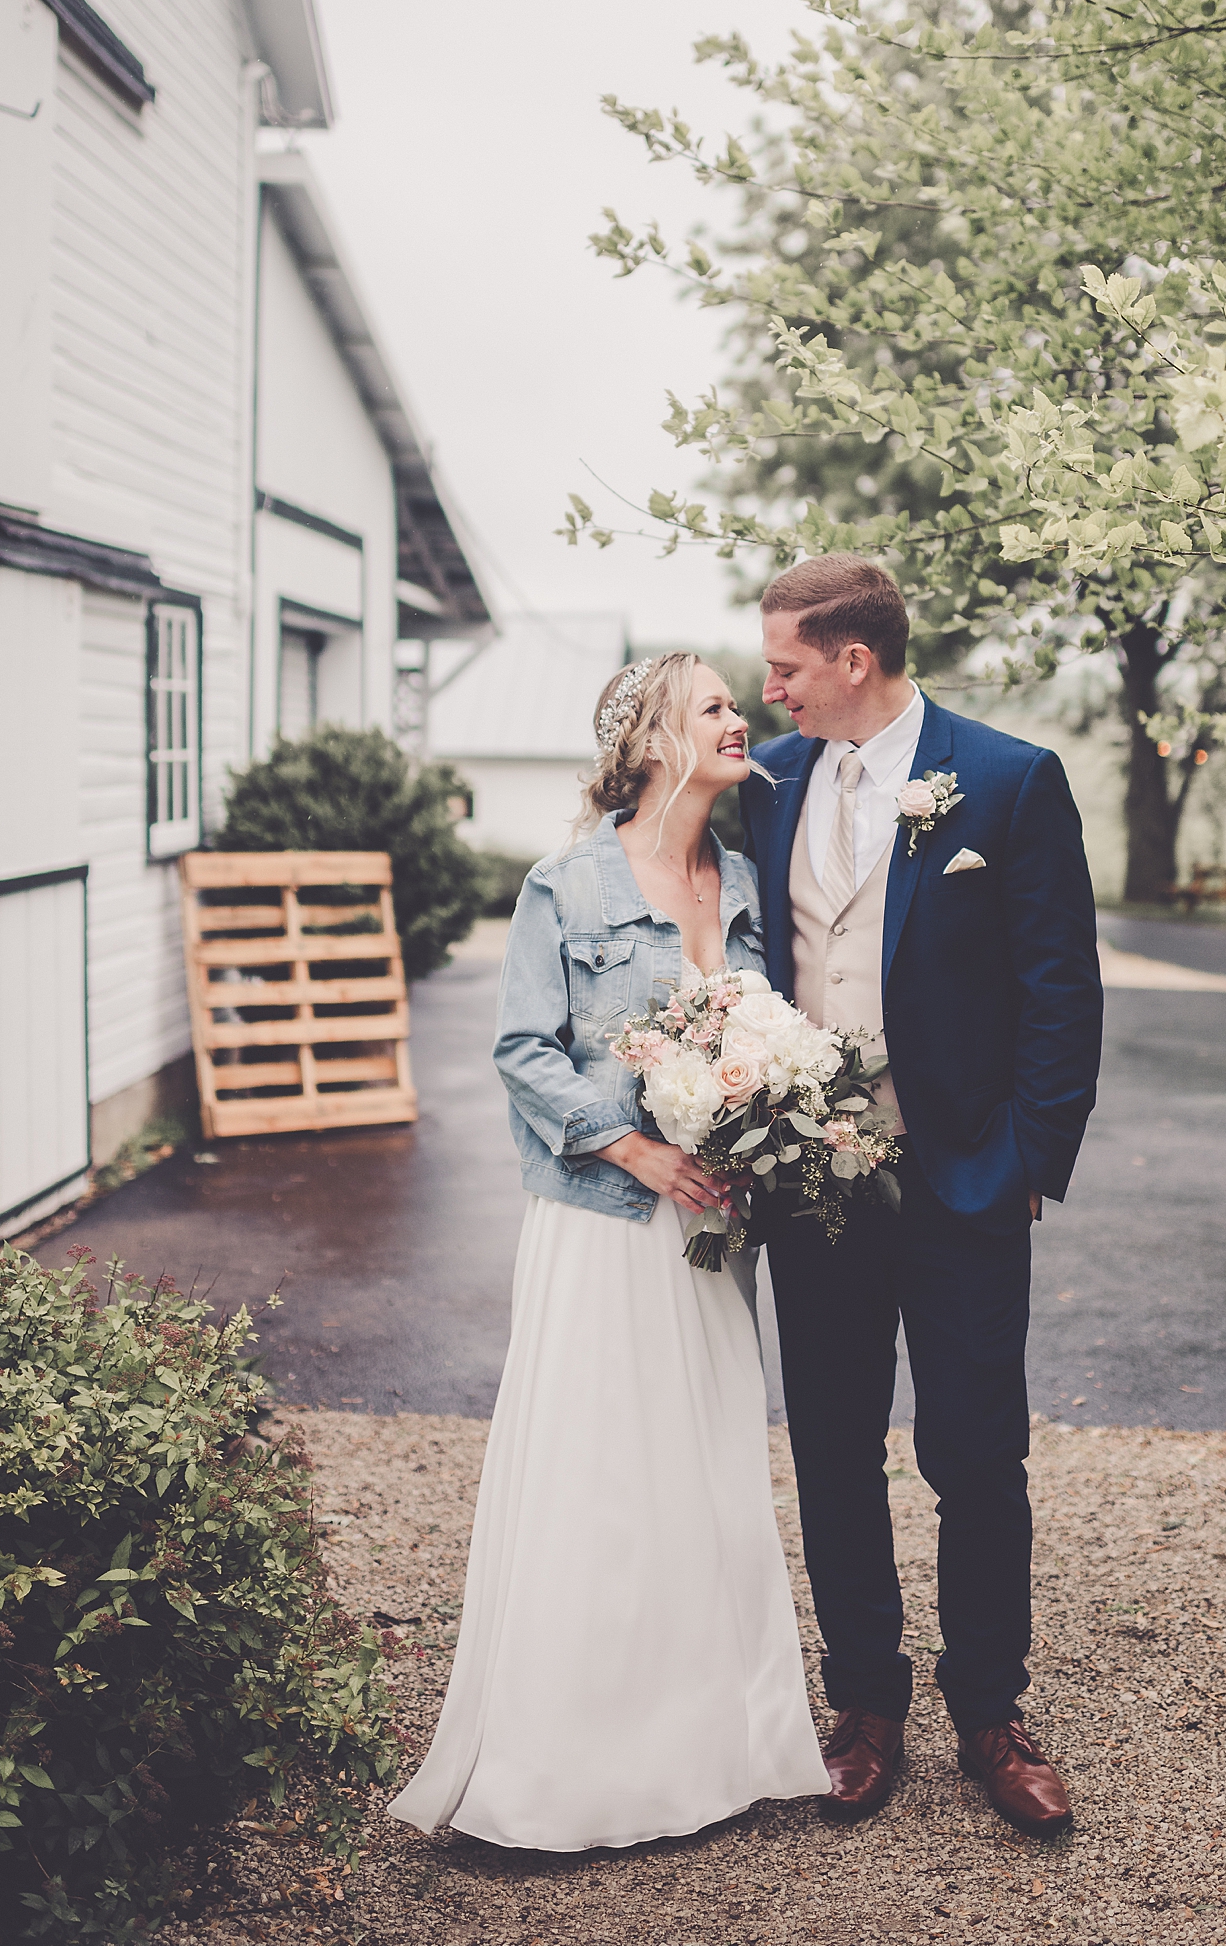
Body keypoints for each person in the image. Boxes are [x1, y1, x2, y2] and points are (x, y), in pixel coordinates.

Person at [388, 651, 828, 1851]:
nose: (743, 719)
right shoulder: (564, 884)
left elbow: (757, 1032)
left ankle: (715, 1745)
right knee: (599, 1474)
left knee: (704, 1466)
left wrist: (760, 1119)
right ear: (648, 744)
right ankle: (564, 1768)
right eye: (716, 707)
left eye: (741, 702)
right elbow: (524, 1049)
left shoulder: (737, 874)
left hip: (711, 1230)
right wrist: (635, 1150)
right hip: (603, 1219)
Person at [740, 555, 1103, 1836]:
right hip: (810, 1189)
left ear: (854, 659)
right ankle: (865, 1706)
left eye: (783, 662)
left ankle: (990, 1714)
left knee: (974, 1453)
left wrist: (1023, 1163)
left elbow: (1061, 988)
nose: (765, 684)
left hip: (959, 1182)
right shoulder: (768, 783)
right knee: (835, 1449)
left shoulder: (1005, 778)